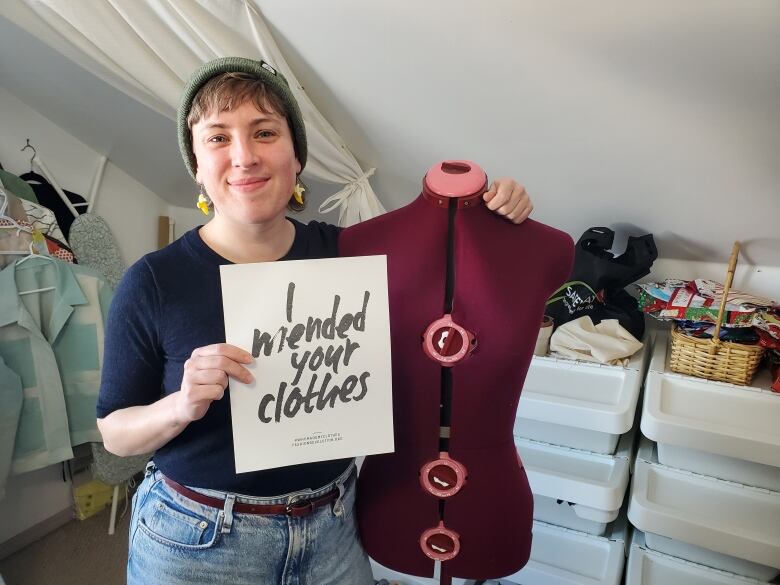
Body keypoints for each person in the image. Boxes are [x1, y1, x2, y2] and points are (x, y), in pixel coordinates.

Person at [96, 56, 535, 585]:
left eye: (264, 132)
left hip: (334, 525)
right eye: (217, 137)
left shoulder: (352, 255)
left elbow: (449, 255)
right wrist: (180, 405)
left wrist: (492, 213)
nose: (244, 156)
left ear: (296, 156)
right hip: (200, 537)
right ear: (195, 164)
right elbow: (115, 435)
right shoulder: (154, 281)